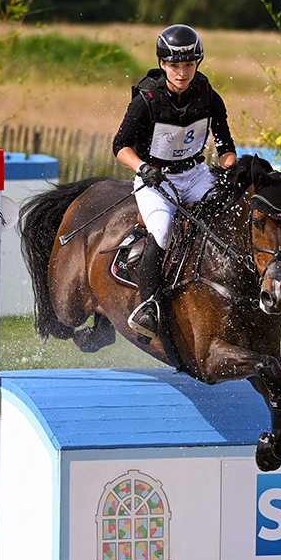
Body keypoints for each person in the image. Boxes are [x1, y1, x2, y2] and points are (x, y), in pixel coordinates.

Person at [113, 24, 238, 339]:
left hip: (195, 175)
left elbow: (226, 149)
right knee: (163, 230)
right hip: (156, 179)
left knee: (231, 215)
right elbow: (120, 147)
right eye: (173, 65)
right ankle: (149, 307)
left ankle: (254, 290)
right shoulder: (147, 99)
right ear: (162, 64)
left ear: (197, 63)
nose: (181, 72)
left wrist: (228, 171)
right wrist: (142, 168)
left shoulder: (210, 97)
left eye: (188, 65)